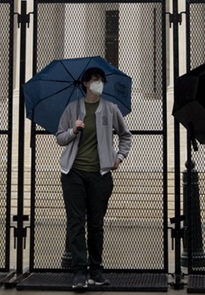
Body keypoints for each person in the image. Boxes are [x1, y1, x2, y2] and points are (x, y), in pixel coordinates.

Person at [55, 66, 132, 290]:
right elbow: (60, 137)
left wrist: (119, 156)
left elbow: (126, 136)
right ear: (86, 83)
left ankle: (96, 269)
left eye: (101, 80)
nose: (99, 83)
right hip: (74, 173)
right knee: (76, 223)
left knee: (96, 224)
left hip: (100, 174)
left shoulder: (111, 109)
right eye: (95, 79)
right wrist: (73, 131)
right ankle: (80, 271)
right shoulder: (72, 108)